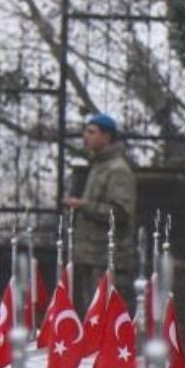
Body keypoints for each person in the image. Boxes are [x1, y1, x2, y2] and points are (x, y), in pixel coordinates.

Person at [64, 111, 138, 309]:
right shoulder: (98, 167)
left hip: (108, 259)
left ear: (107, 136)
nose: (85, 137)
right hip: (92, 257)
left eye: (91, 132)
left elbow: (121, 212)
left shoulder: (117, 170)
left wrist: (84, 206)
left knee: (106, 314)